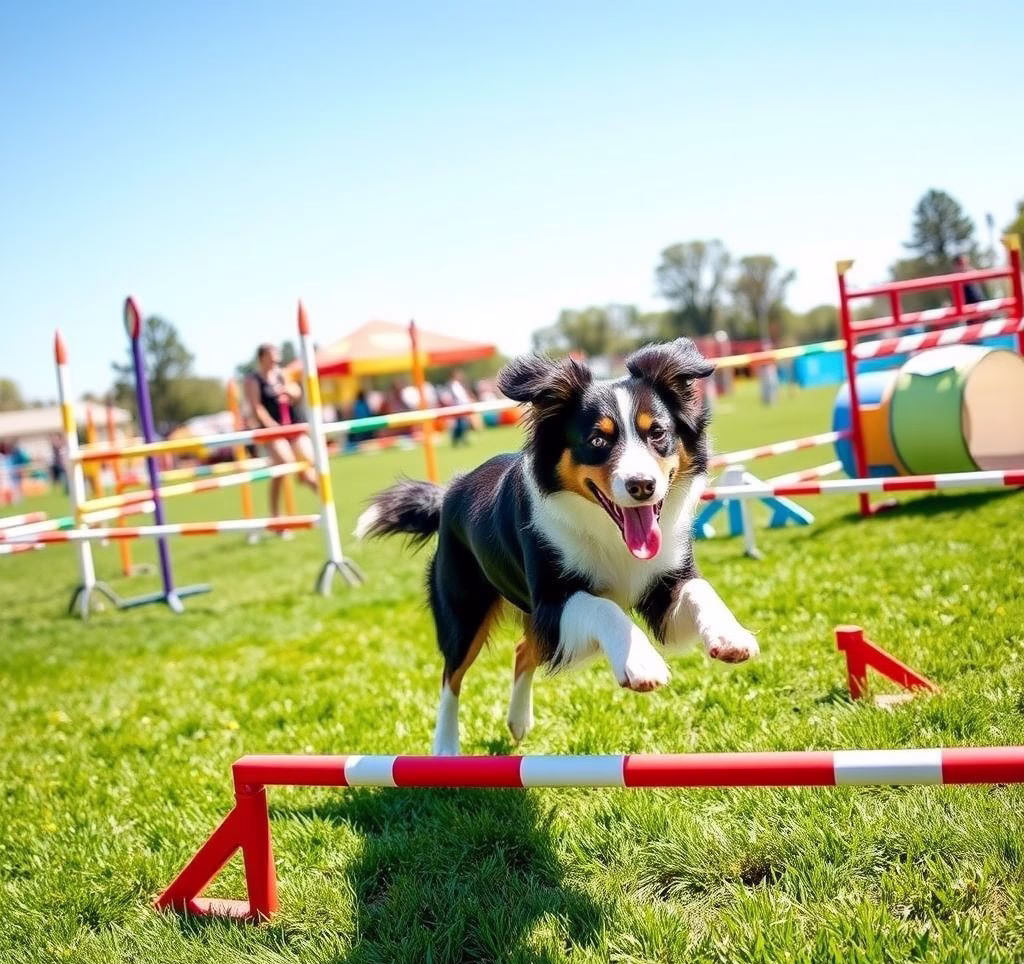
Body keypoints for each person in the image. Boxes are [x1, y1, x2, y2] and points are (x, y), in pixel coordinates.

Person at [244, 343, 318, 521]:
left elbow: (297, 392)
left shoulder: (281, 374)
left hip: (292, 426)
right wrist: (272, 426)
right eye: (272, 355)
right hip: (271, 430)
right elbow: (256, 408)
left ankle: (328, 505)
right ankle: (275, 515)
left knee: (309, 459)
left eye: (276, 355)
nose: (275, 359)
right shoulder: (253, 380)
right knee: (284, 464)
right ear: (262, 357)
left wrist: (287, 390)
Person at [447, 369, 473, 446]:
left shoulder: (458, 385)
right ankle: (461, 439)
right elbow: (458, 397)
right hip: (458, 407)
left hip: (462, 406)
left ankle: (457, 440)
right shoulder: (453, 385)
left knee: (460, 424)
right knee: (461, 424)